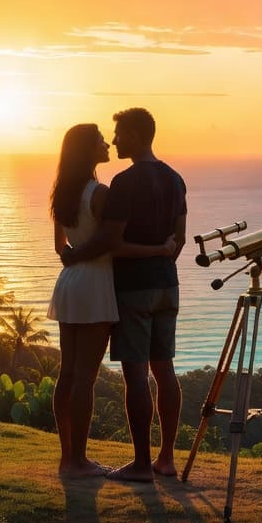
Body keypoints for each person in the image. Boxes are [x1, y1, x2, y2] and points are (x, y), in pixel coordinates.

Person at [62, 108, 186, 482]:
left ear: (134, 135)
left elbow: (111, 243)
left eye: (118, 133)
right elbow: (177, 239)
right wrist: (162, 253)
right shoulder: (175, 179)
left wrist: (76, 254)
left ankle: (142, 465)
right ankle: (166, 458)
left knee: (136, 375)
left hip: (133, 289)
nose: (114, 140)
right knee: (164, 370)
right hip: (168, 283)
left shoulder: (124, 183)